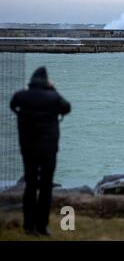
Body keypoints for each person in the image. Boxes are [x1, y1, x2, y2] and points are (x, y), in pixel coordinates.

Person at [10, 67, 71, 236]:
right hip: (48, 149)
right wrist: (53, 89)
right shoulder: (53, 97)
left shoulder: (21, 96)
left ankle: (28, 226)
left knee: (30, 186)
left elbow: (12, 106)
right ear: (46, 82)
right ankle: (42, 226)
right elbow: (66, 108)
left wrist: (22, 116)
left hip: (28, 148)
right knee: (45, 187)